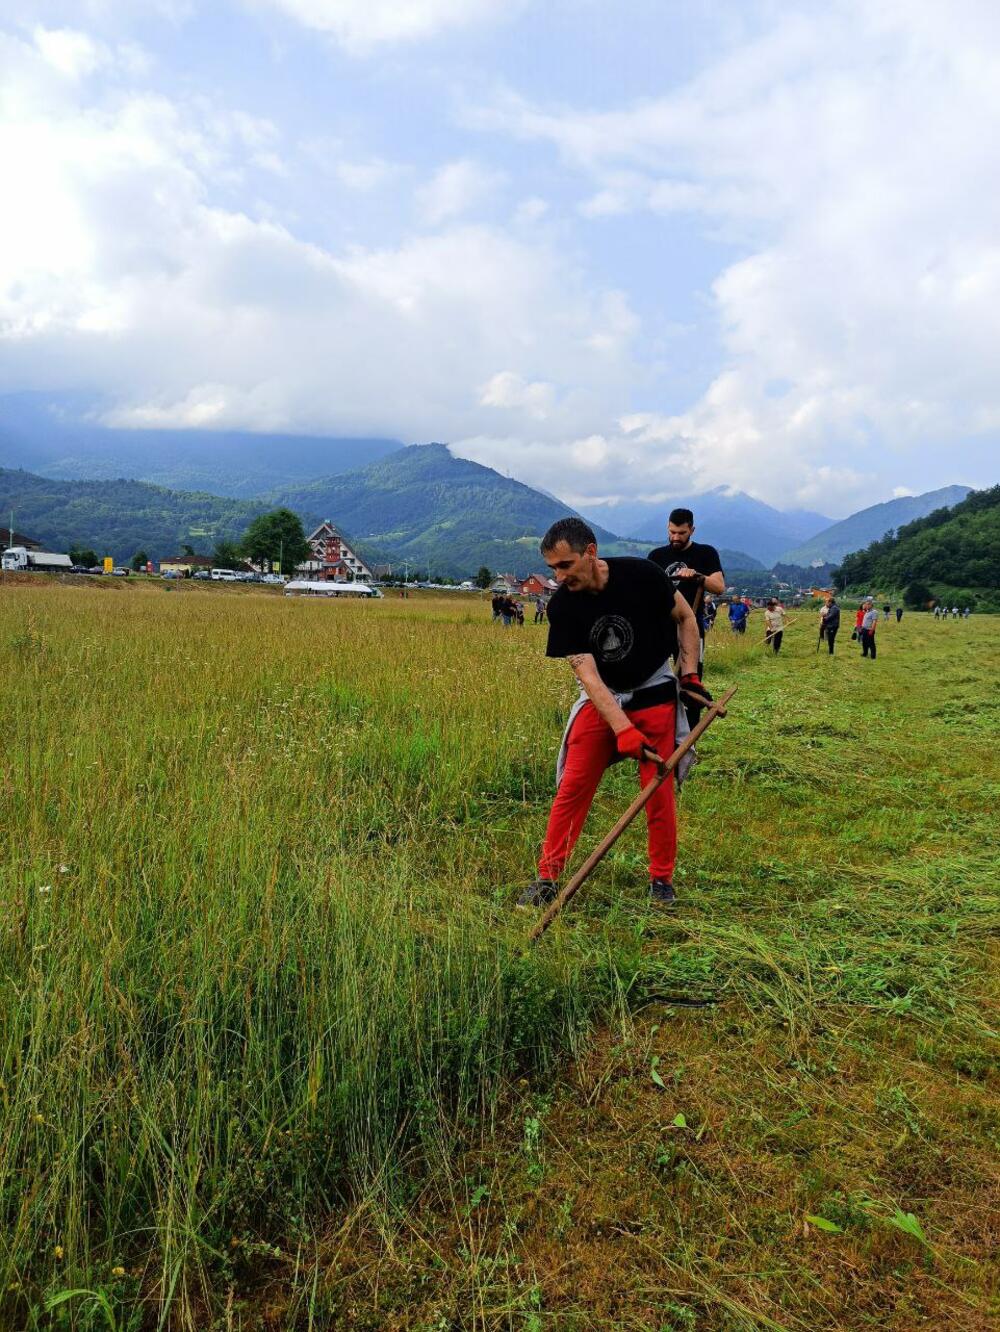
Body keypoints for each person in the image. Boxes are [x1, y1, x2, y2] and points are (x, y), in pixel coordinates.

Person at [517, 517, 708, 911]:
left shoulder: (643, 575)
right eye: (552, 568)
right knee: (573, 786)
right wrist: (622, 728)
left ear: (591, 552)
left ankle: (661, 881)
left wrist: (689, 673)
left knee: (657, 786)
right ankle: (548, 879)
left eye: (565, 565)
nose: (558, 576)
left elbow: (686, 618)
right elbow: (587, 675)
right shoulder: (562, 606)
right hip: (602, 696)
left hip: (654, 687)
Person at [648, 509, 725, 725]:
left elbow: (719, 587)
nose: (675, 537)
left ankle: (689, 740)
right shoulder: (656, 556)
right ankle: (664, 730)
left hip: (691, 630)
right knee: (657, 682)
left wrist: (698, 576)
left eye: (681, 533)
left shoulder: (706, 553)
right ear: (667, 527)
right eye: (672, 532)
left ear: (692, 529)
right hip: (661, 629)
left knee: (691, 684)